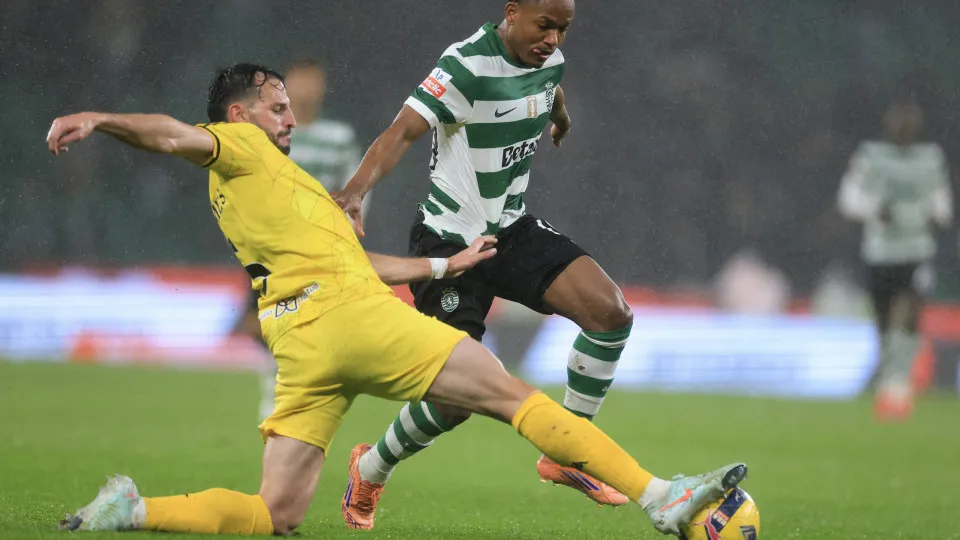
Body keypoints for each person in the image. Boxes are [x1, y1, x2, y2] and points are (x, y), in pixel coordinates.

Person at [47, 63, 745, 537]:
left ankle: (135, 510)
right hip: (350, 318)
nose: (290, 118)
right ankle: (663, 498)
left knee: (276, 513)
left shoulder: (269, 190)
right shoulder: (238, 146)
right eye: (277, 107)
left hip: (300, 345)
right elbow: (172, 134)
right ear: (239, 114)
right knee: (511, 395)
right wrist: (101, 118)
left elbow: (357, 260)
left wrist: (445, 263)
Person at [334, 0, 636, 525]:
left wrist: (560, 118)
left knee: (611, 315)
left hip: (510, 230)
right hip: (450, 242)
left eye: (563, 29)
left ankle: (568, 452)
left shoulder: (548, 60)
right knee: (458, 398)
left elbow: (550, 87)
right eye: (545, 25)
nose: (554, 39)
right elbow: (402, 130)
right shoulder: (466, 64)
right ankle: (371, 467)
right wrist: (356, 189)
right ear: (512, 13)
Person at [232, 59, 365, 422]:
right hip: (272, 245)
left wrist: (351, 230)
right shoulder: (268, 131)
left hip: (320, 248)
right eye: (300, 81)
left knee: (313, 324)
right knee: (267, 320)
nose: (306, 89)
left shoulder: (338, 137)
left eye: (313, 81)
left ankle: (299, 395)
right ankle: (275, 386)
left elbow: (355, 188)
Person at [838, 99, 953, 420]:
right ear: (889, 126)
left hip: (916, 250)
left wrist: (938, 215)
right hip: (880, 251)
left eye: (909, 122)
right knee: (884, 318)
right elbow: (849, 200)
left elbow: (941, 201)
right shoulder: (870, 156)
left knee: (909, 313)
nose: (903, 128)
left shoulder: (930, 159)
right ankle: (889, 376)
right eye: (899, 122)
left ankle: (899, 382)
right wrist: (875, 209)